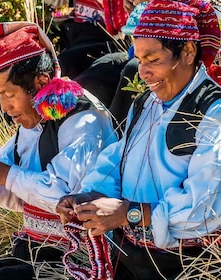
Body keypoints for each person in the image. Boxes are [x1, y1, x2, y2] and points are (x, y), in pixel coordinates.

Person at [0, 21, 117, 280]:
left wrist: (3, 175)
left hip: (73, 260)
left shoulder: (84, 120)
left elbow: (64, 197)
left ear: (41, 81)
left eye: (9, 93)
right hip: (33, 251)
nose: (5, 106)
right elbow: (14, 191)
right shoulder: (34, 121)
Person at [56, 0, 221, 279]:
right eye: (139, 59)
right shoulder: (146, 103)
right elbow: (120, 156)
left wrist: (127, 214)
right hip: (132, 259)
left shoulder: (213, 111)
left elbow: (203, 210)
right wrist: (90, 196)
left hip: (184, 266)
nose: (142, 72)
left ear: (189, 52)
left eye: (153, 60)